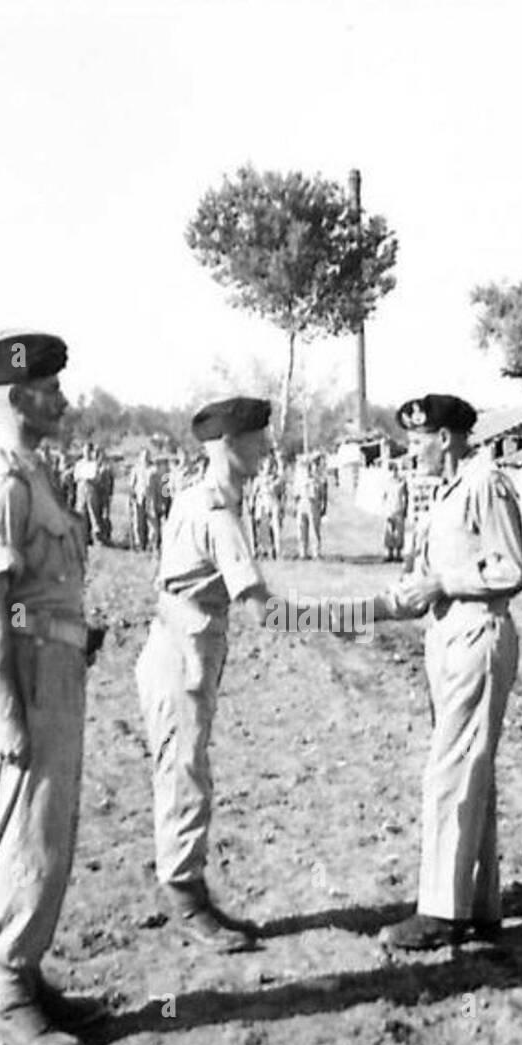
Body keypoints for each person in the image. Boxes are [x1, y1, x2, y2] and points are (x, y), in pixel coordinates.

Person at [135, 396, 364, 953]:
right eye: (257, 439)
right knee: (185, 774)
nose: (267, 448)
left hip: (185, 642)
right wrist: (357, 615)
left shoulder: (206, 497)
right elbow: (264, 610)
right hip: (183, 651)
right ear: (228, 445)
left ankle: (186, 888)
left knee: (186, 768)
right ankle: (186, 899)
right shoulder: (214, 510)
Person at [0, 328, 107, 1045]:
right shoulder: (4, 483)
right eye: (50, 391)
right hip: (25, 678)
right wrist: (3, 706)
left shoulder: (35, 474)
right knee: (21, 828)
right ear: (19, 398)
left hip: (56, 666)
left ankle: (30, 976)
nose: (63, 400)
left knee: (49, 828)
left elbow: (34, 591)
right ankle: (10, 1001)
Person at [374, 394, 522, 951]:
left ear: (445, 438)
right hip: (447, 636)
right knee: (471, 775)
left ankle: (440, 912)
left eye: (418, 439)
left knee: (448, 776)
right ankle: (480, 907)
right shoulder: (446, 489)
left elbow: (511, 568)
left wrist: (443, 583)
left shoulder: (486, 482)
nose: (411, 449)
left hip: (476, 632)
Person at [72, 442, 106, 545]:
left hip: (91, 490)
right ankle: (83, 538)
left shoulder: (94, 464)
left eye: (88, 451)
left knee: (93, 514)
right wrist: (82, 477)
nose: (86, 453)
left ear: (91, 452)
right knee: (81, 513)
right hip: (81, 490)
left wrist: (92, 478)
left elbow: (97, 478)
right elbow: (76, 477)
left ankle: (97, 538)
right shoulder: (79, 464)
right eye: (84, 450)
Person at [293, 453, 323, 558]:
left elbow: (321, 491)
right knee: (301, 528)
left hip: (312, 502)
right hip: (301, 502)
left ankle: (316, 552)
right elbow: (295, 493)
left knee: (314, 529)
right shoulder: (299, 477)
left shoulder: (316, 477)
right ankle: (303, 552)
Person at [381, 463, 409, 562]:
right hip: (389, 510)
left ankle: (398, 554)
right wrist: (384, 509)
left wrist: (405, 509)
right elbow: (384, 497)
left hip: (399, 509)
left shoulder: (402, 483)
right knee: (389, 532)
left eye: (396, 470)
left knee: (399, 532)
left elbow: (406, 497)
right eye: (393, 470)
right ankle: (390, 554)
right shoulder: (387, 483)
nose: (394, 472)